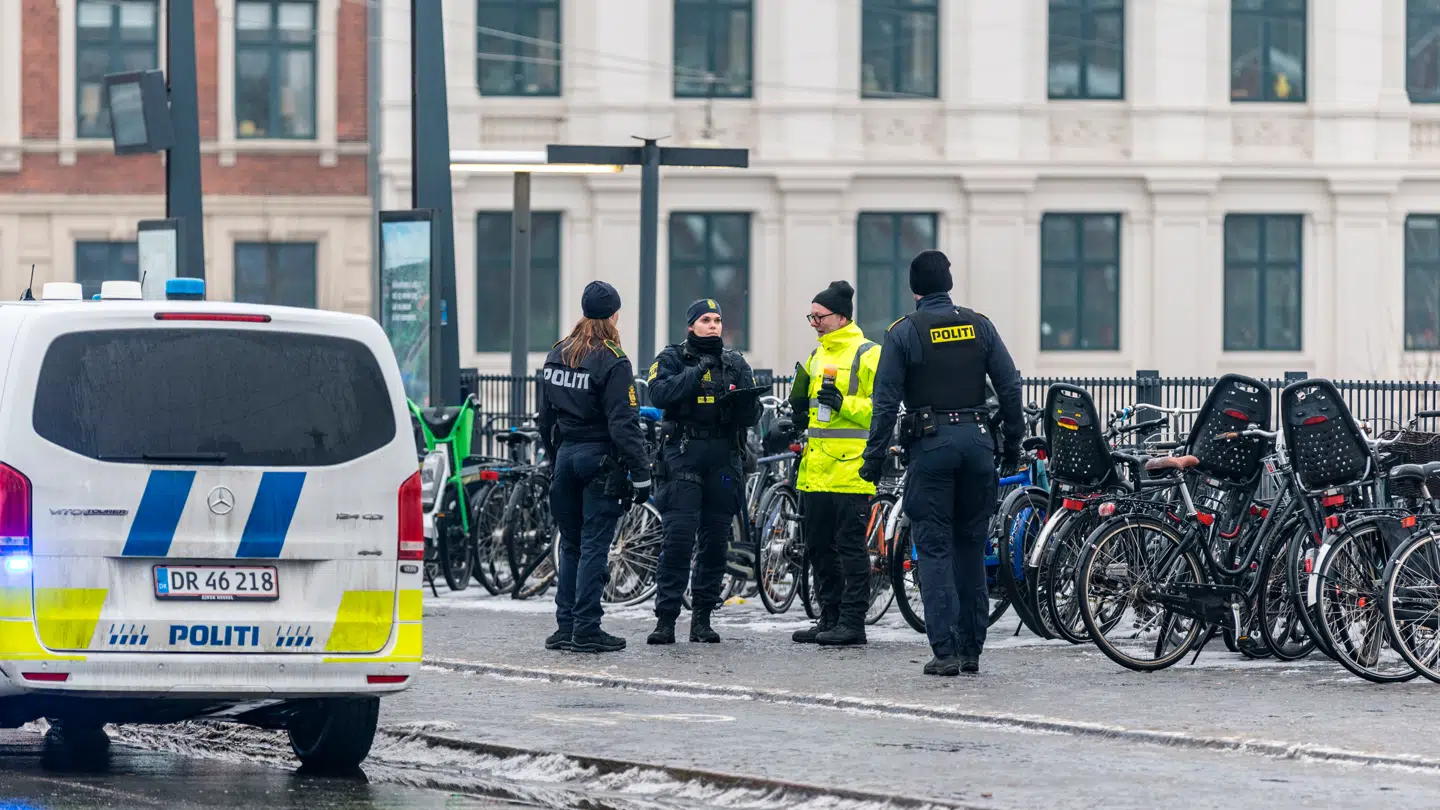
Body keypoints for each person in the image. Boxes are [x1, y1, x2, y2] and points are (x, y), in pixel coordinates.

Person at [859, 250, 1023, 676]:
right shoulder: (979, 325)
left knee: (933, 548)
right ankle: (972, 649)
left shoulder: (904, 332)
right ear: (948, 283)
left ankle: (946, 650)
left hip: (931, 447)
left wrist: (873, 459)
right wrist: (1011, 442)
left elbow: (885, 401)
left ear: (915, 288)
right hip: (977, 441)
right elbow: (1009, 384)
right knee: (971, 546)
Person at [537, 281, 651, 654]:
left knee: (570, 545)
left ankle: (565, 625)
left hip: (566, 456)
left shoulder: (558, 353)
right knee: (593, 547)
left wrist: (557, 458)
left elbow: (544, 418)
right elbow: (623, 422)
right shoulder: (613, 358)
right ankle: (587, 626)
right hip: (599, 459)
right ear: (614, 315)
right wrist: (641, 469)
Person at [644, 298, 763, 645]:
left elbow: (752, 414)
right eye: (705, 320)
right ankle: (666, 619)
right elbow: (660, 393)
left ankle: (703, 618)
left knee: (715, 543)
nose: (713, 326)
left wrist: (742, 405)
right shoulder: (672, 358)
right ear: (691, 325)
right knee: (679, 540)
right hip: (683, 454)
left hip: (723, 456)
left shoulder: (735, 362)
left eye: (717, 320)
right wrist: (698, 372)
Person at [787, 281, 881, 646]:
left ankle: (853, 623)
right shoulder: (816, 356)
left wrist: (845, 404)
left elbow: (883, 412)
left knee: (850, 550)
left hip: (851, 472)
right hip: (816, 473)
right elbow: (812, 414)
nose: (813, 322)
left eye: (819, 316)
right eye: (811, 316)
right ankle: (829, 619)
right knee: (818, 549)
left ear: (841, 317)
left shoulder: (869, 354)